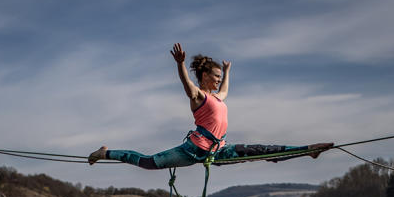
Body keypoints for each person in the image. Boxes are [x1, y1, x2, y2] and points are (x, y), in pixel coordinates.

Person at [88, 43, 333, 168]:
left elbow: (225, 89)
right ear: (205, 76)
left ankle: (307, 150)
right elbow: (186, 84)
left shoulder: (218, 97)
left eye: (219, 77)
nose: (218, 81)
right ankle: (105, 153)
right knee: (149, 162)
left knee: (263, 151)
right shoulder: (199, 97)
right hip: (192, 151)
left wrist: (226, 71)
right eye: (214, 76)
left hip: (218, 151)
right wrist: (180, 65)